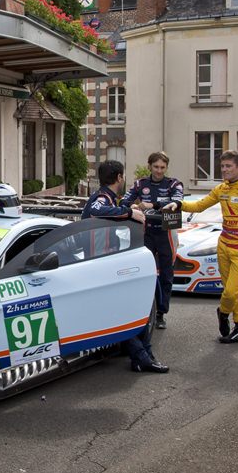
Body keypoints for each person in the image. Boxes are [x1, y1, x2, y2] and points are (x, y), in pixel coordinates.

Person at [83, 160, 167, 374]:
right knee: (123, 312)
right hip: (99, 266)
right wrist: (129, 213)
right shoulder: (102, 197)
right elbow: (96, 210)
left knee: (129, 309)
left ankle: (143, 355)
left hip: (105, 265)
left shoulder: (109, 197)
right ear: (119, 178)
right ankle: (142, 357)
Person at [181, 150, 238, 344]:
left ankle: (223, 312)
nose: (224, 170)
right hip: (223, 245)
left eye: (229, 166)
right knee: (237, 292)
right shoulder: (221, 189)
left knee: (231, 293)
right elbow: (199, 206)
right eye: (222, 166)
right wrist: (177, 204)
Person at [121, 151, 184, 330]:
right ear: (149, 166)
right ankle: (143, 311)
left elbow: (178, 201)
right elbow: (124, 201)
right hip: (145, 233)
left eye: (162, 167)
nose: (159, 171)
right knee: (143, 273)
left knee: (166, 275)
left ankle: (161, 313)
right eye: (155, 167)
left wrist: (154, 205)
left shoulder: (173, 183)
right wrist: (132, 205)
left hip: (166, 234)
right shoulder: (141, 183)